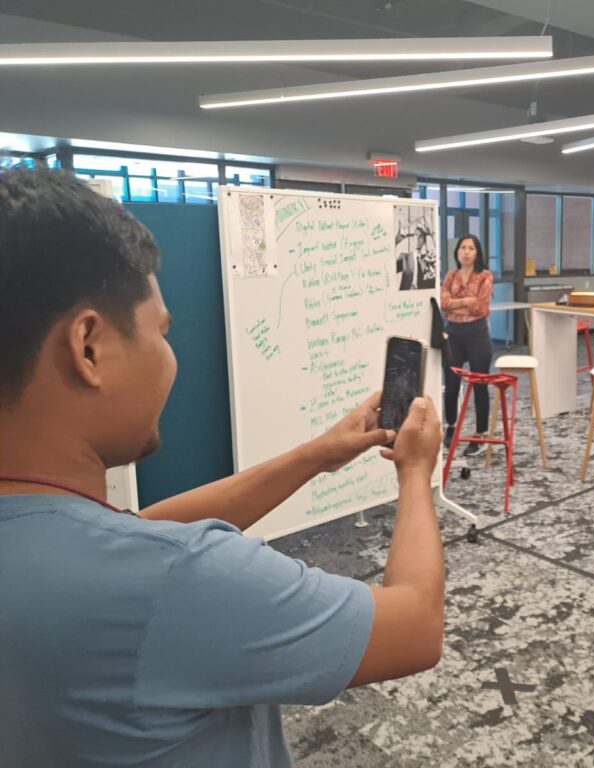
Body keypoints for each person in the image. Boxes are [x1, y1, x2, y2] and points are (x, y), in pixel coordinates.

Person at [0, 168, 445, 767]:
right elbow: (416, 625)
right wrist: (415, 474)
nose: (167, 355)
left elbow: (142, 527)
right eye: (160, 332)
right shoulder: (175, 580)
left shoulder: (56, 541)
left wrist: (315, 455)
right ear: (88, 348)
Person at [439, 234, 494, 455]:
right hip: (452, 334)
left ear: (477, 252)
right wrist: (465, 303)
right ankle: (451, 426)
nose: (466, 252)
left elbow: (480, 308)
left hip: (477, 334)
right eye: (463, 248)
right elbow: (443, 304)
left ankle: (480, 435)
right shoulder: (450, 275)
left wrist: (455, 305)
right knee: (451, 385)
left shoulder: (485, 276)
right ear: (457, 252)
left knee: (479, 385)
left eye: (471, 248)